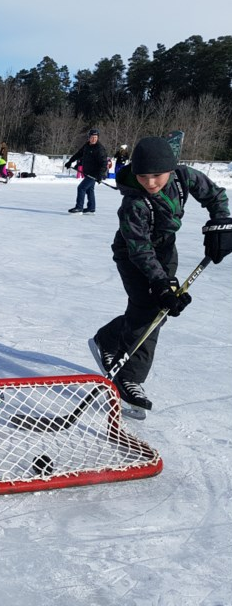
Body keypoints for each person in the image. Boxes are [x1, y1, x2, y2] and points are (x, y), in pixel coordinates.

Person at [91, 136, 231, 413]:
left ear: (171, 168)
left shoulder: (184, 177)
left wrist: (222, 224)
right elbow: (139, 248)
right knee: (149, 309)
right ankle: (129, 377)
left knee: (156, 312)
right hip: (133, 253)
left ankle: (107, 339)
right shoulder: (134, 203)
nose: (151, 182)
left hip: (166, 249)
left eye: (157, 175)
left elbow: (215, 195)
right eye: (143, 176)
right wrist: (161, 283)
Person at [65, 128, 108, 214]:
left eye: (96, 137)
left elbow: (104, 163)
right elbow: (78, 154)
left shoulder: (99, 149)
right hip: (88, 172)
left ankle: (79, 207)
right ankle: (91, 208)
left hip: (94, 173)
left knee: (81, 188)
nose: (94, 139)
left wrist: (100, 175)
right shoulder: (87, 146)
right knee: (89, 189)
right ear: (89, 137)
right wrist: (70, 161)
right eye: (92, 137)